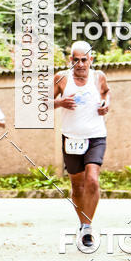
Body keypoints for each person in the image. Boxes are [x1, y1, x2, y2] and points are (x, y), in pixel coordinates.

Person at [53, 42, 110, 250]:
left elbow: (105, 93)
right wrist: (59, 103)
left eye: (84, 59)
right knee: (77, 185)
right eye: (75, 60)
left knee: (92, 180)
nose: (80, 64)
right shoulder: (61, 78)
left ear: (91, 60)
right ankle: (82, 223)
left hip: (95, 136)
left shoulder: (98, 77)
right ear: (70, 60)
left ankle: (87, 226)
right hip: (71, 138)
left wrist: (106, 105)